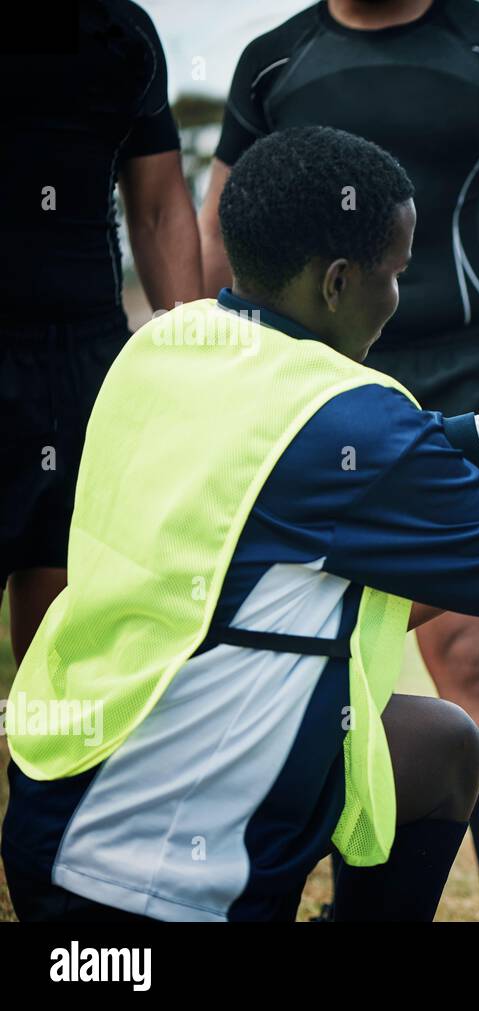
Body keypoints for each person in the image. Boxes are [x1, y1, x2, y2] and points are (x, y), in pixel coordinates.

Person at [1, 126, 479, 922]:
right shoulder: (350, 415)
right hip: (152, 880)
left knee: (440, 746)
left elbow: (266, 461)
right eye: (394, 274)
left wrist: (469, 437)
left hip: (56, 808)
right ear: (337, 282)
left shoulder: (163, 346)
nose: (398, 297)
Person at [198, 0, 479, 920]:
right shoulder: (274, 61)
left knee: (475, 656)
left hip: (462, 369)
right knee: (293, 646)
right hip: (307, 381)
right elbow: (220, 225)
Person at [0, 0, 201, 667]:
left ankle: (44, 772)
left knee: (63, 651)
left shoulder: (122, 31)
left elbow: (158, 205)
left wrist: (195, 374)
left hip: (85, 367)